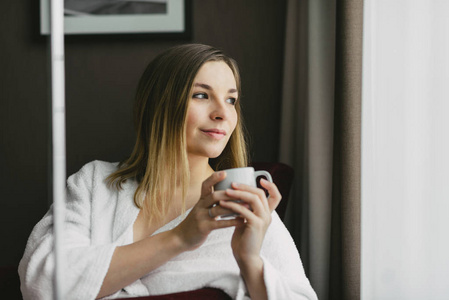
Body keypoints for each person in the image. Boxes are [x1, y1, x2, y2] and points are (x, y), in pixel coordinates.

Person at [19, 44, 317, 300]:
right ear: (159, 105)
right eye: (201, 95)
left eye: (231, 100)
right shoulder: (96, 184)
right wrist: (179, 238)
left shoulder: (245, 208)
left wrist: (250, 261)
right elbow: (42, 282)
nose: (222, 113)